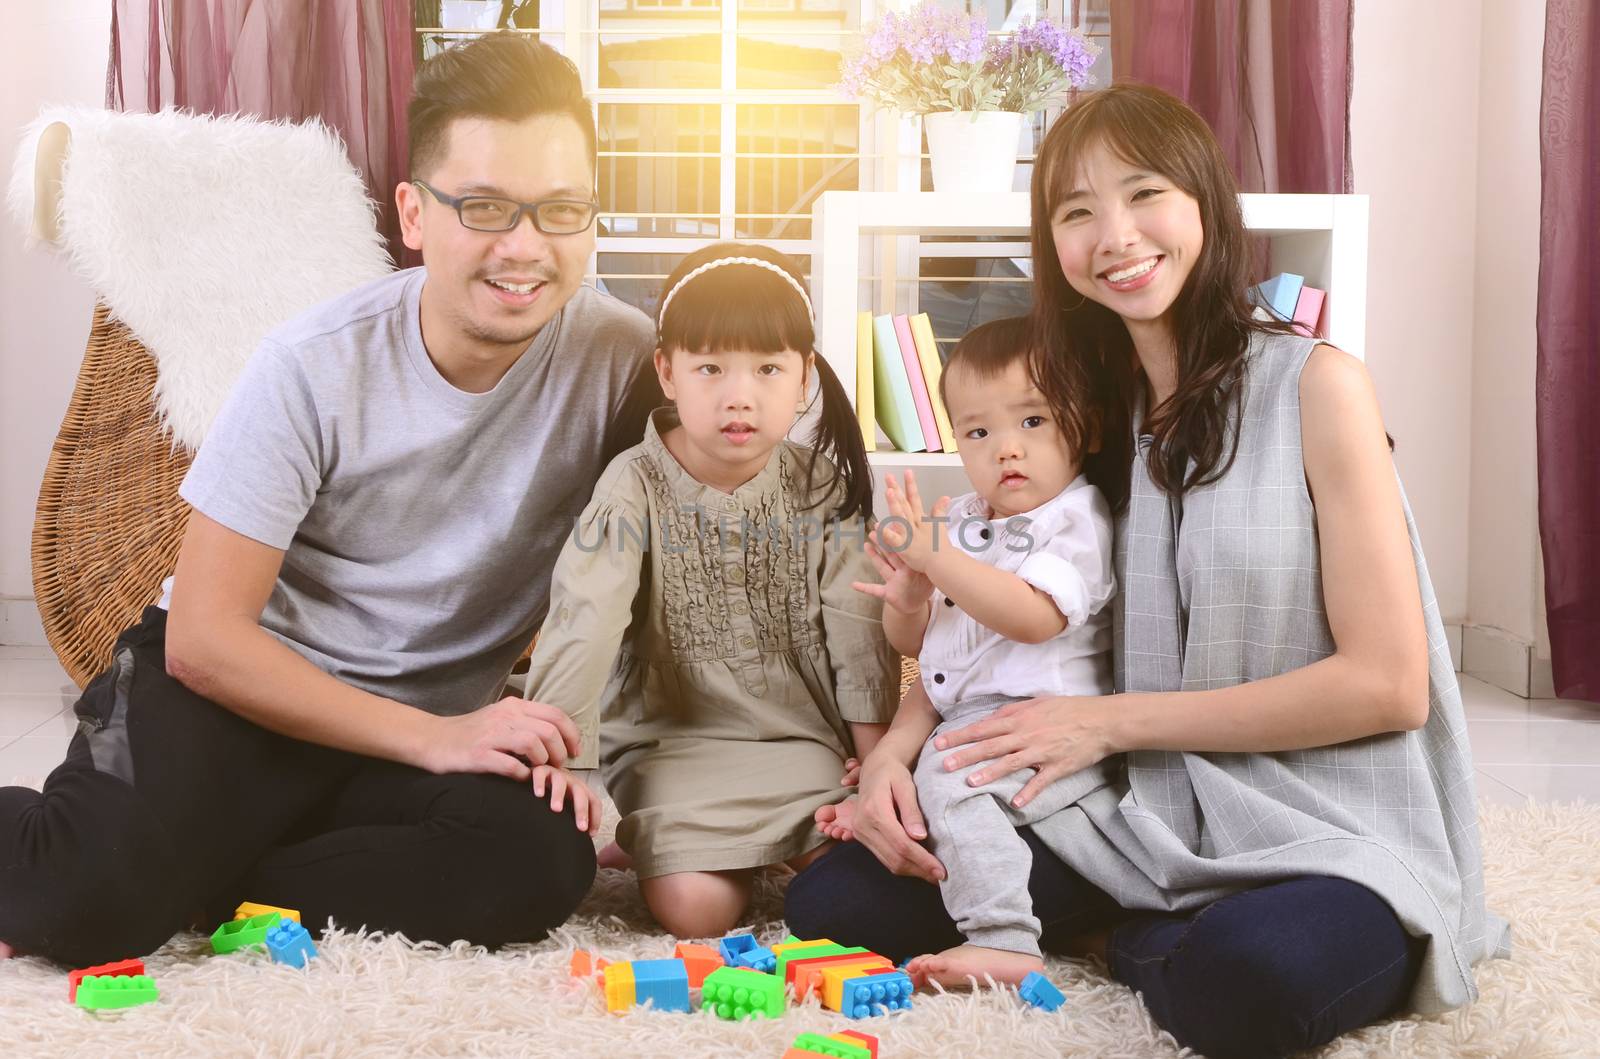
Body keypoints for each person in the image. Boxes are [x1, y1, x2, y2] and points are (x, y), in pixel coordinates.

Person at [793, 82, 1507, 1059]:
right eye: (1076, 212)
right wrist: (894, 756)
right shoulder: (1079, 415)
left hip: (1327, 824)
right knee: (839, 902)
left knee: (1249, 985)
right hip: (1135, 813)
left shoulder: (1318, 386)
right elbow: (992, 631)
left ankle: (1119, 941)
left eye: (1142, 194)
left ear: (1205, 204)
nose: (1114, 236)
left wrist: (1105, 723)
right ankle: (1139, 927)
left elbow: (1388, 687)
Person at [0, 32, 662, 966]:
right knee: (82, 902)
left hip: (417, 738)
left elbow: (762, 458)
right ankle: (139, 851)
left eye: (561, 209)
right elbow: (204, 639)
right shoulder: (313, 362)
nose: (526, 247)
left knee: (539, 860)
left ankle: (209, 869)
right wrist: (433, 739)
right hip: (239, 697)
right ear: (414, 214)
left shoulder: (626, 359)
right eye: (483, 207)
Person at [522, 242, 900, 939]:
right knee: (696, 912)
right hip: (674, 741)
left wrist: (875, 763)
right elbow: (586, 619)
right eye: (710, 368)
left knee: (858, 876)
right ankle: (660, 839)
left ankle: (753, 845)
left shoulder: (821, 485)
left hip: (799, 736)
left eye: (768, 368)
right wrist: (565, 757)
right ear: (667, 371)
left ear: (804, 376)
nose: (740, 395)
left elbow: (857, 627)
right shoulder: (631, 485)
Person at [825, 316, 1115, 986]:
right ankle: (908, 821)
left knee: (953, 787)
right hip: (968, 718)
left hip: (1049, 727)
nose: (1007, 449)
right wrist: (909, 600)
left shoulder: (1076, 519)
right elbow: (922, 652)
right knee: (920, 779)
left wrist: (939, 558)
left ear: (1089, 429)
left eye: (1034, 421)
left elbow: (1034, 617)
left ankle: (1004, 938)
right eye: (980, 431)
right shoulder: (962, 517)